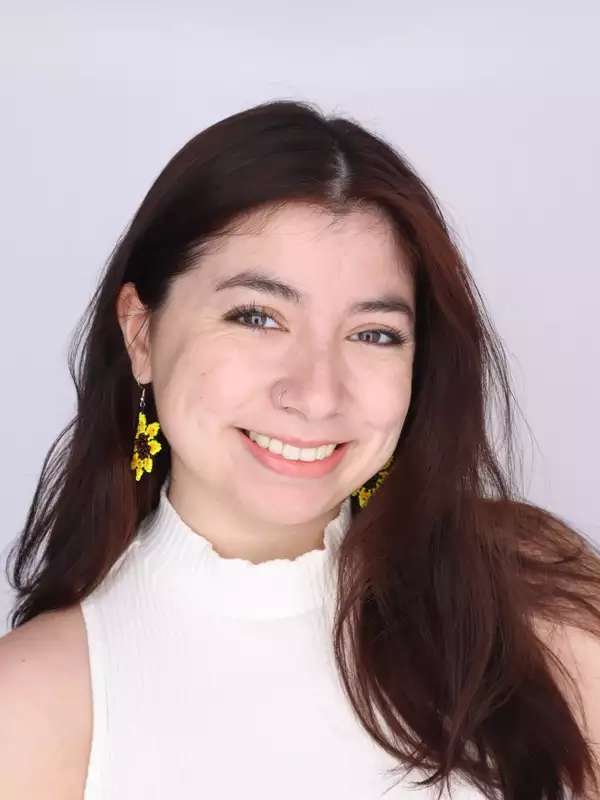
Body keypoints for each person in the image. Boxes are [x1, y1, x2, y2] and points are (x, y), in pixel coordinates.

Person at [1, 99, 599, 799]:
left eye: (373, 333)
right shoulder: (36, 706)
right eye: (257, 317)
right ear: (141, 334)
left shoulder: (533, 596)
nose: (316, 394)